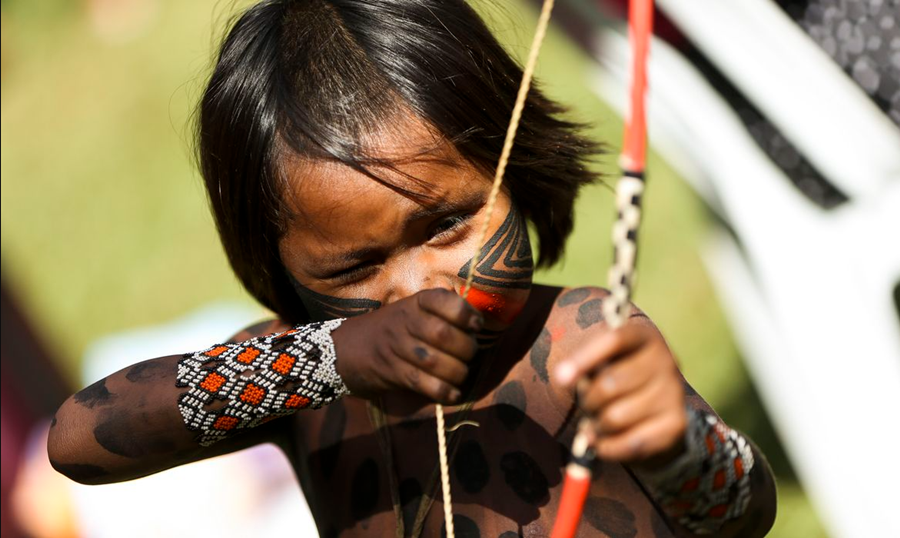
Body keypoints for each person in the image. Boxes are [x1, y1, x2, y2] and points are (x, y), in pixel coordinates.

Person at [48, 1, 777, 536]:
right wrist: (330, 361)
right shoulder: (307, 373)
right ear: (280, 265)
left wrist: (682, 446)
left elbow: (742, 513)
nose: (419, 288)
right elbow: (80, 437)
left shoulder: (579, 339)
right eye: (355, 266)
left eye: (449, 224)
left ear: (512, 166)